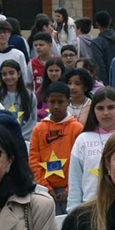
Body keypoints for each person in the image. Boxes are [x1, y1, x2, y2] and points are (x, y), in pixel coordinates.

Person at [67, 88, 115, 211]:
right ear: (93, 110)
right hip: (90, 208)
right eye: (100, 108)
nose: (106, 113)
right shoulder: (83, 140)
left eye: (111, 107)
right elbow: (75, 180)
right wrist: (73, 211)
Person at [28, 84, 83, 214]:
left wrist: (69, 189)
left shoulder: (77, 128)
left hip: (71, 190)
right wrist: (46, 187)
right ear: (46, 101)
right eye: (52, 102)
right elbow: (33, 160)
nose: (56, 106)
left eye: (60, 102)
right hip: (46, 190)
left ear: (68, 101)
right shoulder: (39, 129)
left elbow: (81, 162)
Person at [0, 60, 36, 136]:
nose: (8, 77)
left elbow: (32, 121)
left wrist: (20, 137)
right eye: (4, 74)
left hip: (24, 138)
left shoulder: (29, 95)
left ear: (19, 74)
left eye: (11, 73)